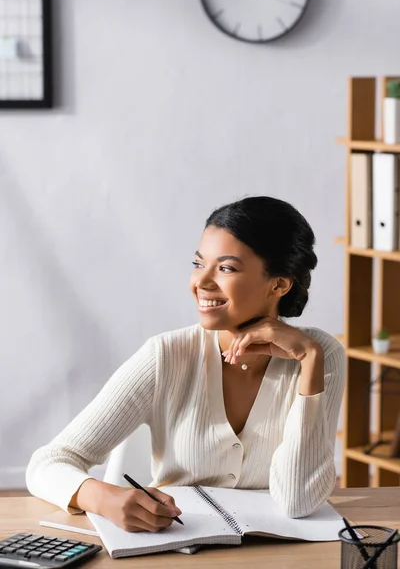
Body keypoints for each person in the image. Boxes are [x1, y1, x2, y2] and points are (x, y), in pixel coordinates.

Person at [26, 196, 345, 533]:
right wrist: (105, 498)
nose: (201, 282)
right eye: (198, 264)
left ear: (279, 284)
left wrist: (309, 362)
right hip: (176, 549)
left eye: (225, 268)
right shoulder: (166, 356)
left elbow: (298, 502)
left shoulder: (320, 354)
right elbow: (47, 463)